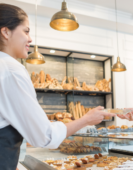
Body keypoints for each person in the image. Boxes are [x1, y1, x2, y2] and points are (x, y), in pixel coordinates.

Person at [0, 3, 115, 170]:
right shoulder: (11, 70)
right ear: (5, 32)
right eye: (26, 31)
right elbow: (45, 136)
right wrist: (86, 119)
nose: (30, 38)